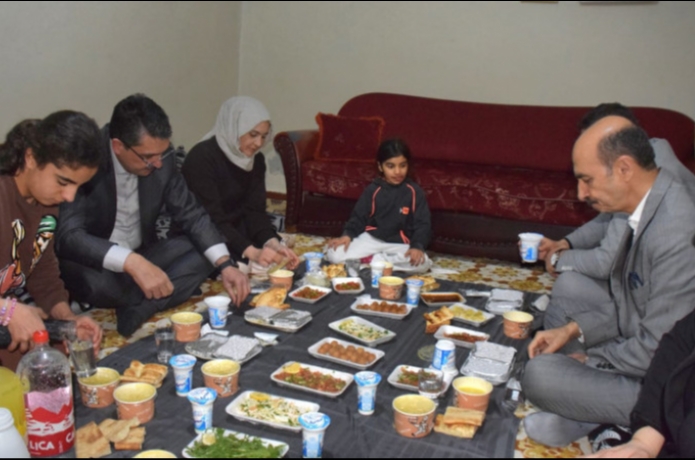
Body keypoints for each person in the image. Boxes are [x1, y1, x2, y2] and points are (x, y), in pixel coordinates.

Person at [521, 116, 695, 447]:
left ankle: (604, 416)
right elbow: (635, 302)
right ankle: (590, 412)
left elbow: (659, 350)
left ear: (624, 168)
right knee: (568, 299)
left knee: (539, 374)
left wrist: (593, 362)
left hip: (671, 384)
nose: (581, 194)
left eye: (587, 180)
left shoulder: (675, 229)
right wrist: (572, 330)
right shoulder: (646, 203)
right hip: (646, 346)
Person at [55, 94, 250, 337]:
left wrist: (226, 266)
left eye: (161, 154)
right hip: (96, 265)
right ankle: (151, 294)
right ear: (118, 146)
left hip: (144, 254)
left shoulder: (162, 159)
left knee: (206, 251)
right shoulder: (85, 158)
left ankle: (143, 306)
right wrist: (131, 262)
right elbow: (70, 236)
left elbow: (192, 214)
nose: (158, 163)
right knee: (99, 285)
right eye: (148, 157)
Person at [539, 103, 695, 279]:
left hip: (642, 285)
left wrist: (558, 258)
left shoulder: (642, 185)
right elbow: (608, 220)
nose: (581, 195)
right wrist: (565, 243)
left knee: (569, 281)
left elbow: (608, 263)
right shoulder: (650, 154)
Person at [0, 112, 103, 356]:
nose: (69, 197)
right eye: (63, 182)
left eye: (78, 186)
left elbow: (42, 273)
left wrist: (68, 320)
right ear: (31, 158)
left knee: (48, 368)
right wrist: (7, 311)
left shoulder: (45, 202)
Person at [181, 97, 298, 273]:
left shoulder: (256, 160)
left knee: (273, 261)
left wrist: (272, 243)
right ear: (234, 128)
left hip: (236, 232)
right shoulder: (202, 158)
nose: (259, 143)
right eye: (253, 135)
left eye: (264, 136)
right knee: (239, 271)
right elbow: (211, 219)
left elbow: (255, 211)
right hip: (205, 236)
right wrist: (251, 252)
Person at [586, 307, 695, 458]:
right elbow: (679, 343)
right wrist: (645, 441)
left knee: (552, 377)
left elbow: (645, 351)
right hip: (665, 421)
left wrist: (590, 359)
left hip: (632, 375)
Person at [325, 138, 433, 273]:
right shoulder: (373, 190)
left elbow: (423, 224)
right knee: (334, 254)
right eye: (391, 166)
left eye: (402, 166)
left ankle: (375, 260)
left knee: (423, 263)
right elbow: (358, 217)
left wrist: (417, 246)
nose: (398, 172)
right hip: (372, 239)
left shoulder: (414, 191)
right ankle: (379, 262)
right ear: (380, 166)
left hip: (399, 244)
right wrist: (347, 235)